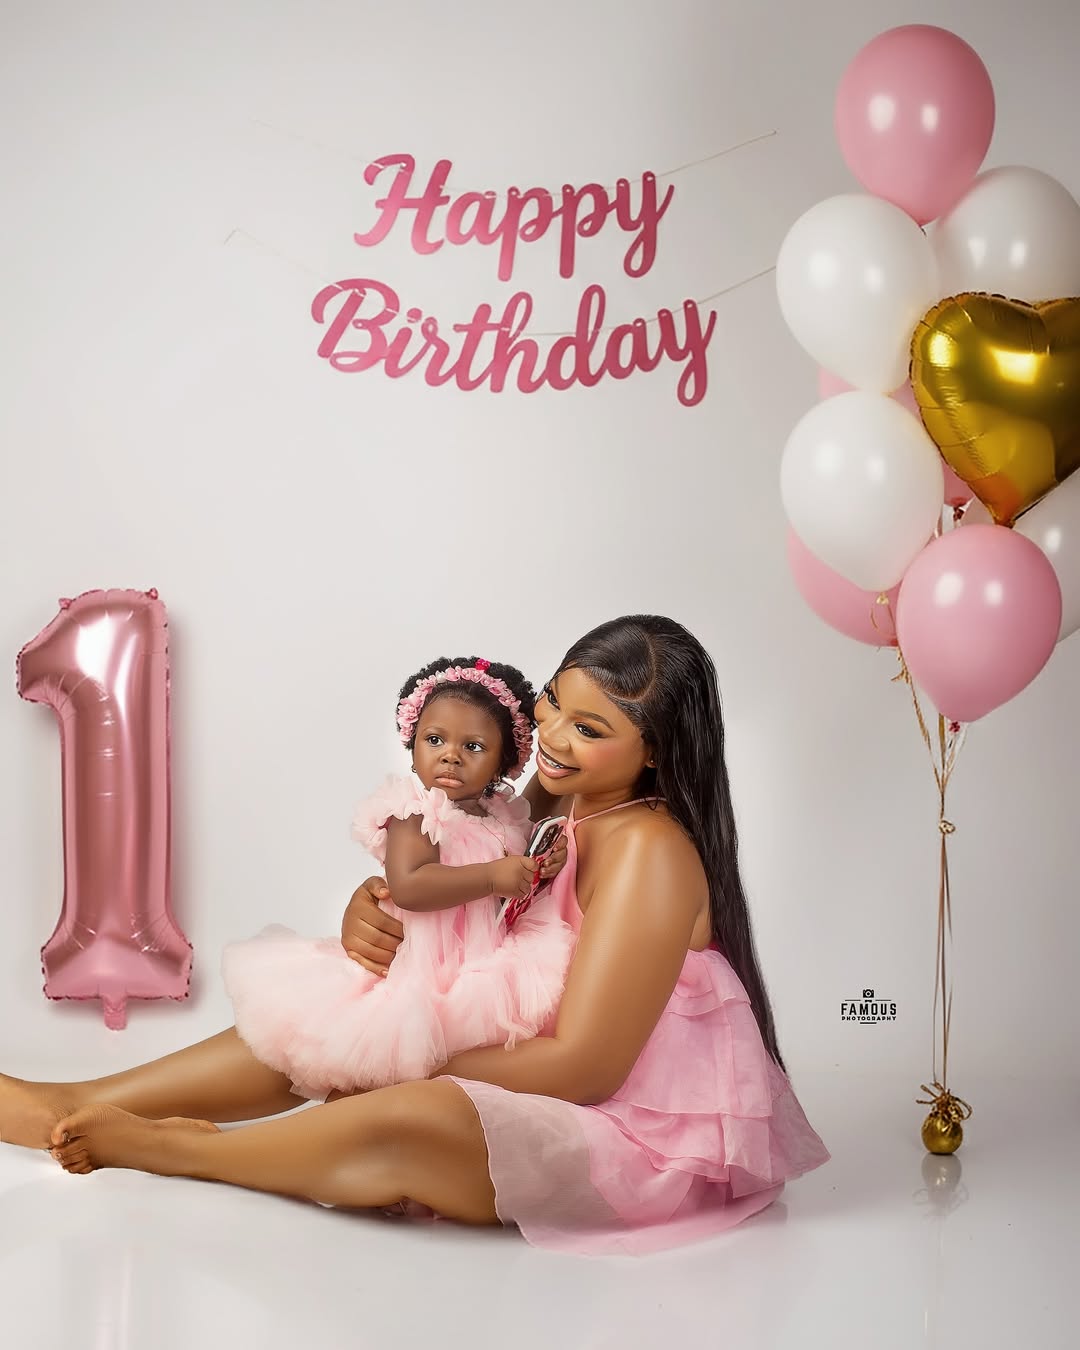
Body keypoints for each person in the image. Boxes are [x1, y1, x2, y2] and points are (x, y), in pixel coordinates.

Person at [0, 615, 829, 1257]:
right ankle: (77, 1102)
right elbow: (450, 896)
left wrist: (399, 1062)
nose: (554, 739)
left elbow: (585, 1067)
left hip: (621, 1135)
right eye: (554, 705)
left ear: (654, 754)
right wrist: (373, 911)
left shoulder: (648, 848)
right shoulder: (556, 812)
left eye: (591, 729)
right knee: (340, 998)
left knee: (409, 1114)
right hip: (526, 1065)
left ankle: (182, 1150)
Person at [220, 654, 572, 1100]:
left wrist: (539, 866)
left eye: (474, 747)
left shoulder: (503, 816)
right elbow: (409, 886)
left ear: (504, 762)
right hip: (416, 966)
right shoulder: (416, 812)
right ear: (412, 742)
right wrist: (491, 876)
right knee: (384, 1060)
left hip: (473, 963)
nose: (450, 755)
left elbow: (511, 882)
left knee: (437, 1070)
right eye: (435, 739)